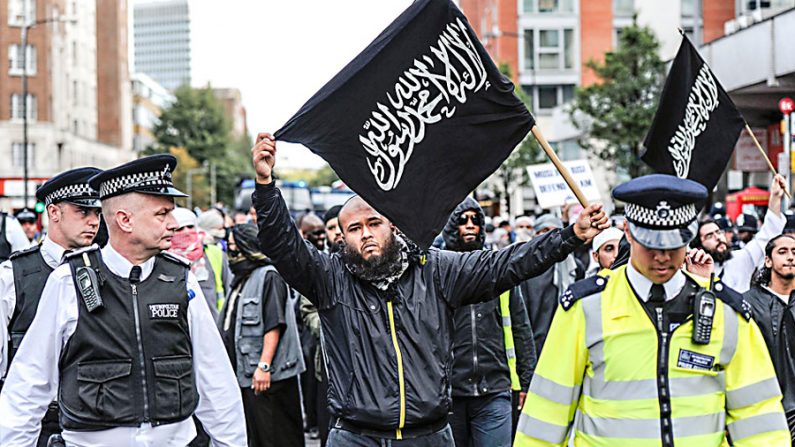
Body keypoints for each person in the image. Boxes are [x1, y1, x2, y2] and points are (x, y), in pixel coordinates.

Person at [250, 133, 608, 446]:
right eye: (355, 228)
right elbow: (283, 247)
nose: (366, 234)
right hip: (355, 436)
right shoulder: (330, 279)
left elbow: (504, 265)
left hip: (429, 435)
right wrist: (266, 186)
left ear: (393, 225)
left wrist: (568, 236)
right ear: (343, 238)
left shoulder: (435, 269)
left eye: (374, 223)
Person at [515, 174, 789, 447]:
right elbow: (545, 418)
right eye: (651, 245)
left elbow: (759, 418)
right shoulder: (586, 306)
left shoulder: (726, 311)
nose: (662, 257)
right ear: (627, 231)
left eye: (672, 245)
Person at [0, 154, 246, 446]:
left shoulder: (181, 280)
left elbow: (216, 382)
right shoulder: (68, 282)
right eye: (162, 213)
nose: (173, 223)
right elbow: (28, 386)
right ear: (125, 220)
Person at [0, 168, 102, 447]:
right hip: (35, 424)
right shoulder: (13, 276)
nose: (94, 221)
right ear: (54, 213)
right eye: (83, 212)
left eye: (97, 213)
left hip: (97, 421)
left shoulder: (108, 271)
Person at [443, 198, 534, 447]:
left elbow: (521, 327)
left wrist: (527, 382)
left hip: (495, 388)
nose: (470, 225)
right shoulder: (437, 269)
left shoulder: (496, 268)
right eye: (463, 220)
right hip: (449, 393)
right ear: (452, 226)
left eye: (476, 220)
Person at [220, 224, 305, 447]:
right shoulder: (241, 278)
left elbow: (274, 323)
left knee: (275, 435)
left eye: (234, 247)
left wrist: (264, 366)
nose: (231, 254)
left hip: (267, 379)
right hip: (246, 374)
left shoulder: (269, 276)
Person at [691, 175, 786, 293]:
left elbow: (769, 233)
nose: (718, 237)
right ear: (700, 245)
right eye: (709, 236)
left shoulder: (741, 259)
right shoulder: (693, 270)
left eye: (719, 232)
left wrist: (775, 197)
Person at [744, 234, 795, 441]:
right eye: (782, 252)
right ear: (768, 260)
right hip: (766, 409)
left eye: (794, 252)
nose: (790, 257)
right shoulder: (749, 303)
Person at [517, 214, 583, 358]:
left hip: (566, 346)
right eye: (545, 230)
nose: (550, 236)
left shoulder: (574, 267)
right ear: (536, 234)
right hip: (536, 346)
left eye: (556, 231)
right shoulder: (527, 268)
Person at [171, 207, 231, 320]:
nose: (186, 232)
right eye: (179, 229)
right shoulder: (165, 258)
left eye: (190, 227)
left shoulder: (215, 253)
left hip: (215, 327)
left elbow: (229, 287)